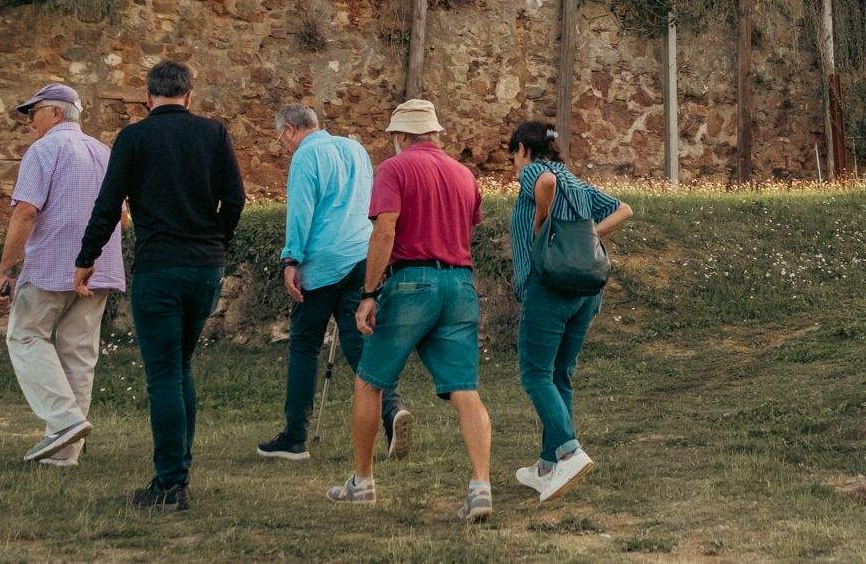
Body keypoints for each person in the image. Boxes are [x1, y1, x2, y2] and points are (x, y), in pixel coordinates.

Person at [75, 59, 245, 513]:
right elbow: (236, 198)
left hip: (159, 267)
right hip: (205, 267)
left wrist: (86, 258)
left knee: (165, 374)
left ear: (148, 98)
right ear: (189, 94)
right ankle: (179, 471)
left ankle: (171, 485)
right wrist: (217, 240)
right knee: (182, 365)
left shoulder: (133, 138)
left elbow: (108, 205)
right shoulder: (214, 134)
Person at [326, 98, 492, 522]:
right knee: (464, 389)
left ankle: (361, 482)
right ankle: (480, 486)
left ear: (400, 136)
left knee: (370, 381)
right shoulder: (464, 174)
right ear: (436, 133)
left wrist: (368, 293)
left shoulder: (394, 169)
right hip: (459, 283)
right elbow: (465, 227)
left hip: (412, 282)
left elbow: (385, 230)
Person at [258, 103, 412, 462]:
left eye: (281, 137)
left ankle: (294, 436)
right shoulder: (355, 148)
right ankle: (392, 412)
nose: (282, 145)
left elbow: (300, 211)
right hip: (360, 256)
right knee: (360, 346)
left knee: (305, 346)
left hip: (322, 264)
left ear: (292, 129)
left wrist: (291, 259)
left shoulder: (304, 158)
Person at [0, 82, 125, 469]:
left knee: (25, 335)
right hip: (100, 264)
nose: (30, 122)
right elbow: (121, 214)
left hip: (52, 263)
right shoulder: (105, 152)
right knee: (79, 353)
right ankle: (65, 453)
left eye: (32, 113)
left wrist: (5, 269)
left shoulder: (44, 150)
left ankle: (64, 420)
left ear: (55, 112)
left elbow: (26, 213)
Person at [505, 121, 631, 503]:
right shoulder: (576, 182)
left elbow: (543, 185)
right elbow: (624, 209)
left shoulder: (535, 174)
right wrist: (590, 236)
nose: (513, 165)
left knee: (535, 373)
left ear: (525, 151)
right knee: (561, 374)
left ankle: (570, 452)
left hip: (549, 290)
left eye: (513, 156)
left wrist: (542, 222)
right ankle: (548, 465)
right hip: (586, 293)